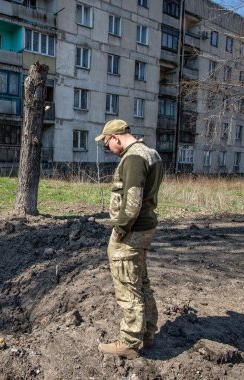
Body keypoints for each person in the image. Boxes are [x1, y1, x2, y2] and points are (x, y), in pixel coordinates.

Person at [94, 119, 164, 359]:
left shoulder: (134, 158)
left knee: (127, 284)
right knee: (140, 279)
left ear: (116, 137)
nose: (107, 148)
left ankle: (128, 342)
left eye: (106, 143)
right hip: (144, 228)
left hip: (132, 230)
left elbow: (132, 202)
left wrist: (120, 230)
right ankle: (147, 331)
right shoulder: (151, 153)